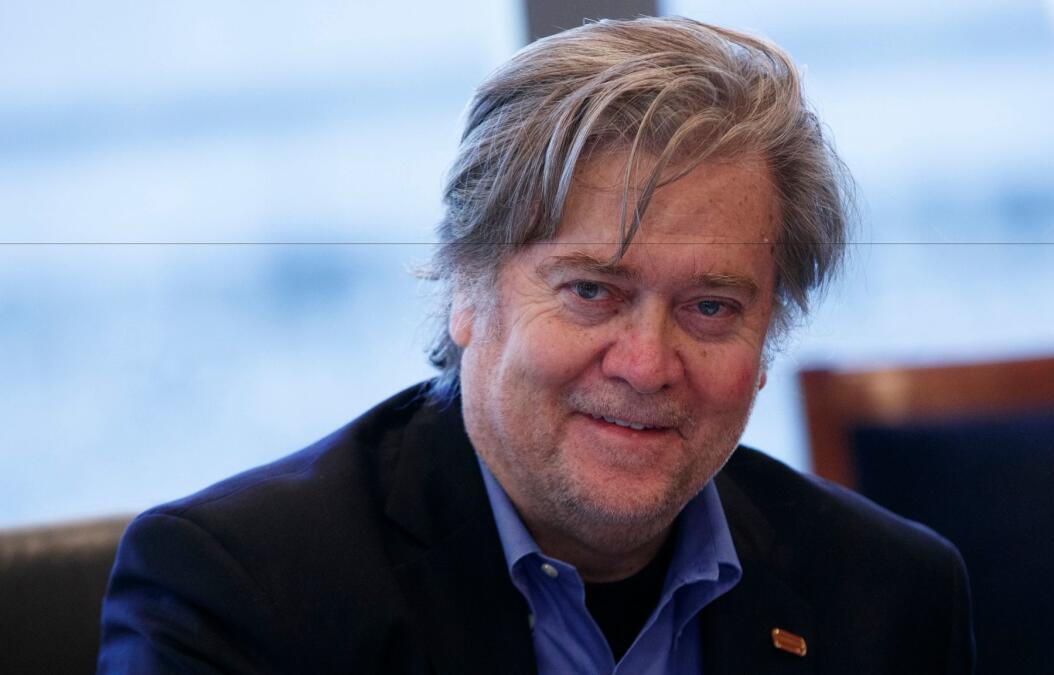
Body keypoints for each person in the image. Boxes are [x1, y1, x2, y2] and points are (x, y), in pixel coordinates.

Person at [98, 16, 974, 675]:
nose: (644, 363)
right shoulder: (240, 594)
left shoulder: (889, 593)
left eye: (710, 308)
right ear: (467, 290)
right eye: (592, 291)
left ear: (770, 330)